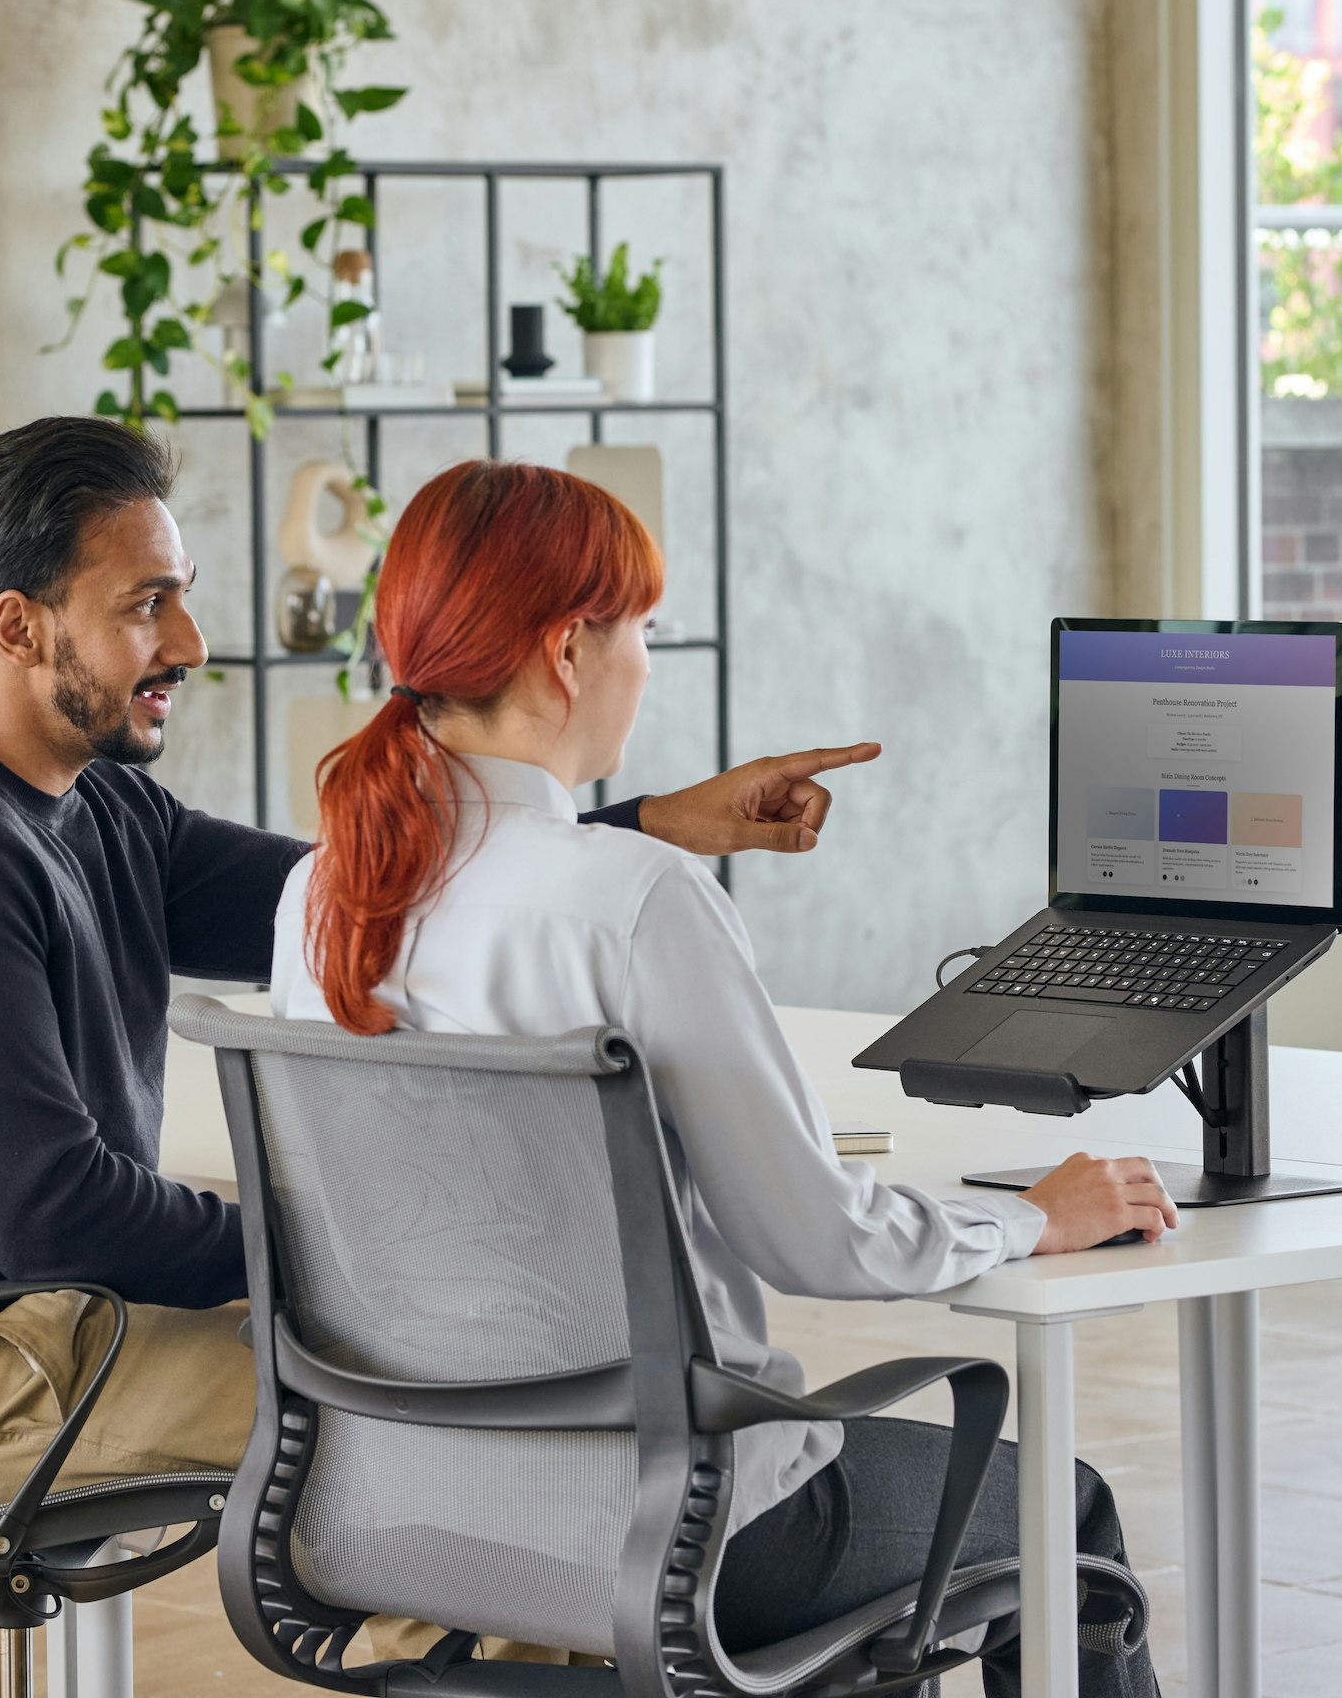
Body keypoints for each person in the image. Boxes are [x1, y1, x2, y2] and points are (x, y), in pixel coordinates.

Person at [0, 416, 881, 1542]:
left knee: (477, 1385)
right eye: (147, 604)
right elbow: (52, 1214)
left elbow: (364, 891)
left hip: (52, 1328)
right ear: (18, 625)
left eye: (183, 595)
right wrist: (350, 1239)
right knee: (463, 1413)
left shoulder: (91, 801)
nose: (192, 642)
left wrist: (641, 826)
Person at [273, 458, 1171, 1698]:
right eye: (641, 627)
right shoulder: (634, 902)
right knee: (1067, 1513)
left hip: (395, 1514)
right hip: (683, 1536)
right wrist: (1032, 1214)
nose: (647, 659)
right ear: (567, 653)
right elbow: (817, 1240)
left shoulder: (321, 893)